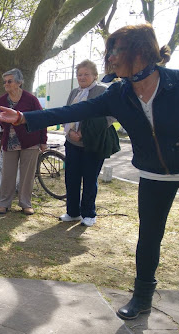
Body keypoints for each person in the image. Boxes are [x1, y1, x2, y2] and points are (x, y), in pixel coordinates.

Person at [0, 24, 179, 321]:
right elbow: (69, 112)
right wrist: (23, 117)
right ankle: (142, 298)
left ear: (140, 51)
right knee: (149, 238)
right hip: (154, 175)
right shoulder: (119, 94)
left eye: (116, 50)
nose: (110, 58)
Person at [60, 60, 120, 227]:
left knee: (89, 179)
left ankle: (89, 213)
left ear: (95, 75)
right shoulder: (74, 92)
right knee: (71, 178)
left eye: (86, 74)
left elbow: (112, 115)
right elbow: (66, 112)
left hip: (93, 144)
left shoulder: (103, 90)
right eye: (79, 74)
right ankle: (73, 212)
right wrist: (71, 132)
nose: (82, 77)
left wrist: (87, 133)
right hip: (72, 143)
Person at [0, 68, 47, 216]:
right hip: (10, 141)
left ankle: (25, 203)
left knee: (27, 175)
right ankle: (4, 203)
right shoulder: (1, 101)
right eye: (5, 82)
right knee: (8, 174)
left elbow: (41, 119)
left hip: (30, 141)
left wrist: (43, 141)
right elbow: (1, 122)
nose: (6, 84)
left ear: (19, 82)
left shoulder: (31, 99)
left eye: (9, 81)